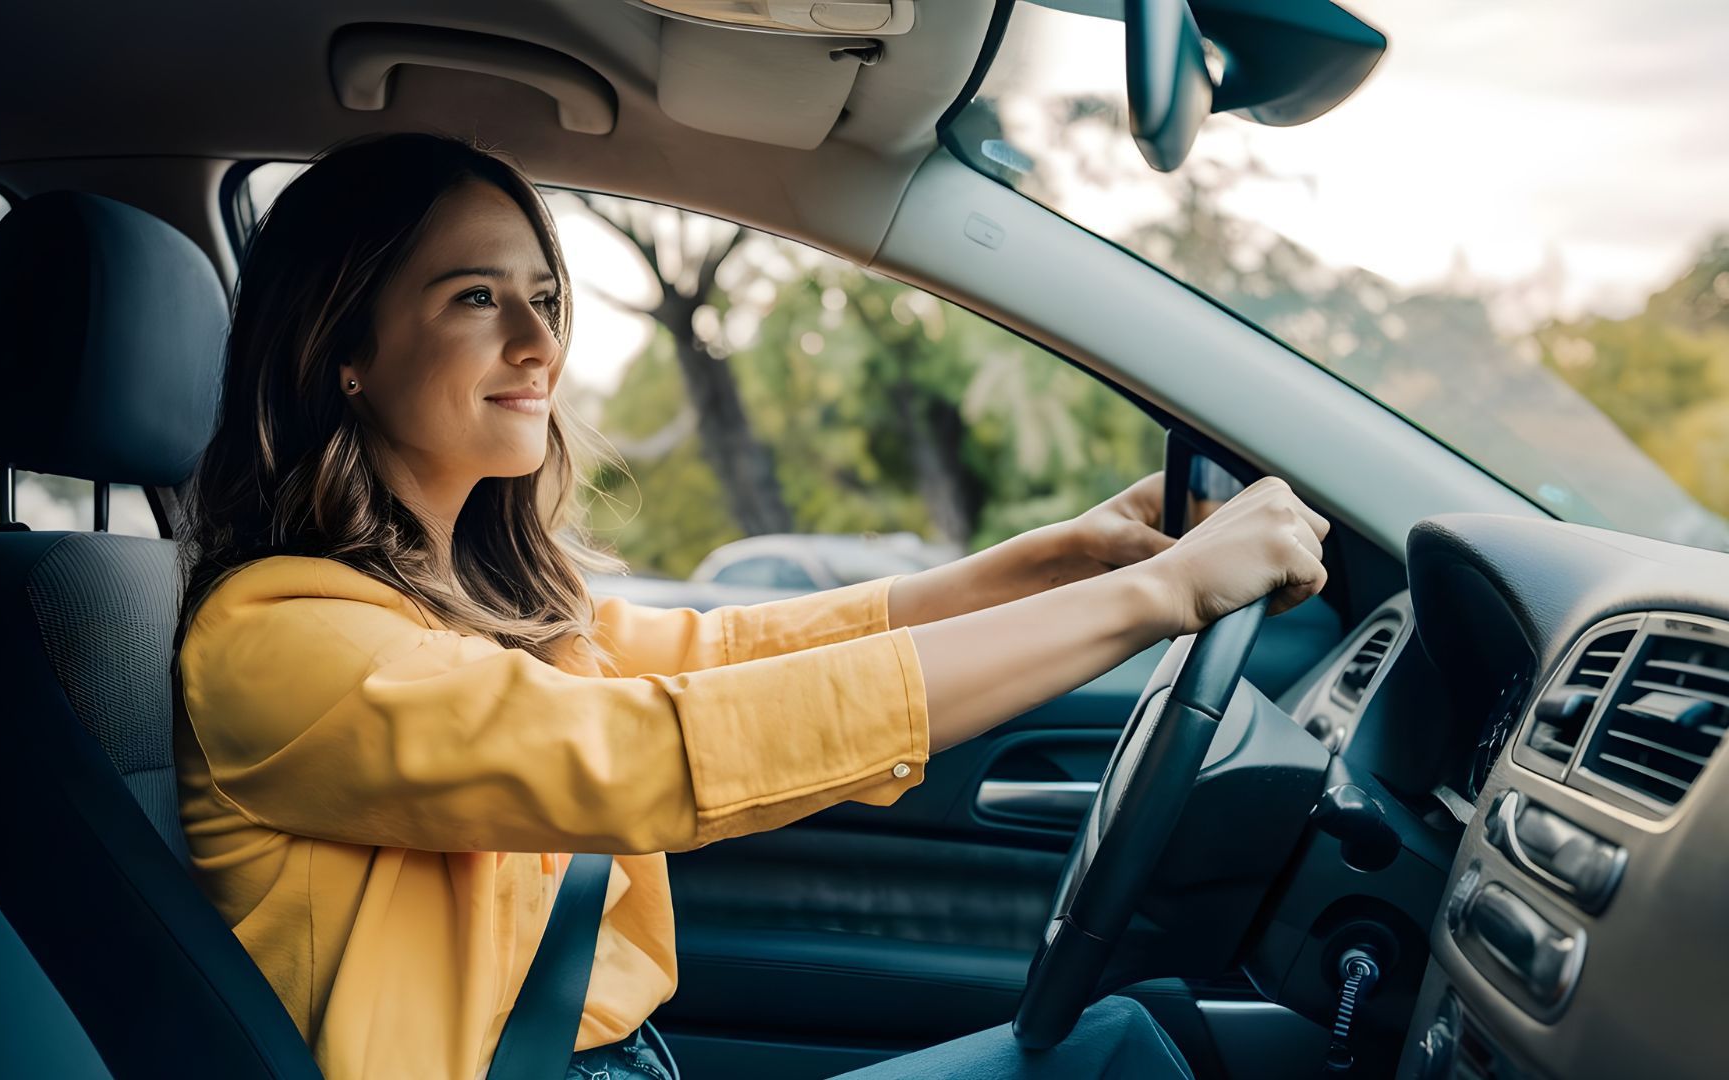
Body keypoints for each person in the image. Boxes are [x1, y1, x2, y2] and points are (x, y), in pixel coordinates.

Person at [174, 133, 1330, 1080]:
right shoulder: (278, 638)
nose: (539, 344)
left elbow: (735, 651)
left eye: (544, 297)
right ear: (346, 352)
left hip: (622, 1063)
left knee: (1139, 1046)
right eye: (478, 298)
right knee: (1136, 1063)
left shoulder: (472, 604)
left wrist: (1065, 558)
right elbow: (648, 754)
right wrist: (1155, 599)